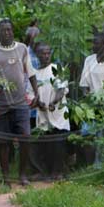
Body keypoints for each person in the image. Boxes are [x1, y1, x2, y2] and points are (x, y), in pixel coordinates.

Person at [0, 19, 40, 187]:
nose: (6, 33)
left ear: (13, 31)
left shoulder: (22, 49)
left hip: (20, 102)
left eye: (9, 30)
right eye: (3, 30)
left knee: (25, 137)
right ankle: (6, 178)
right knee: (3, 142)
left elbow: (30, 73)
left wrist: (36, 93)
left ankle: (22, 175)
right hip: (1, 104)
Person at [32, 42, 69, 178]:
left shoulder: (56, 69)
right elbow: (32, 94)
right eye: (43, 53)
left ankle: (58, 172)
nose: (46, 56)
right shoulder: (35, 74)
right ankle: (46, 172)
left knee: (58, 143)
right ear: (37, 55)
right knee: (46, 144)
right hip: (43, 114)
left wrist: (54, 102)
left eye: (48, 53)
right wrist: (38, 103)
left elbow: (61, 90)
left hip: (58, 113)